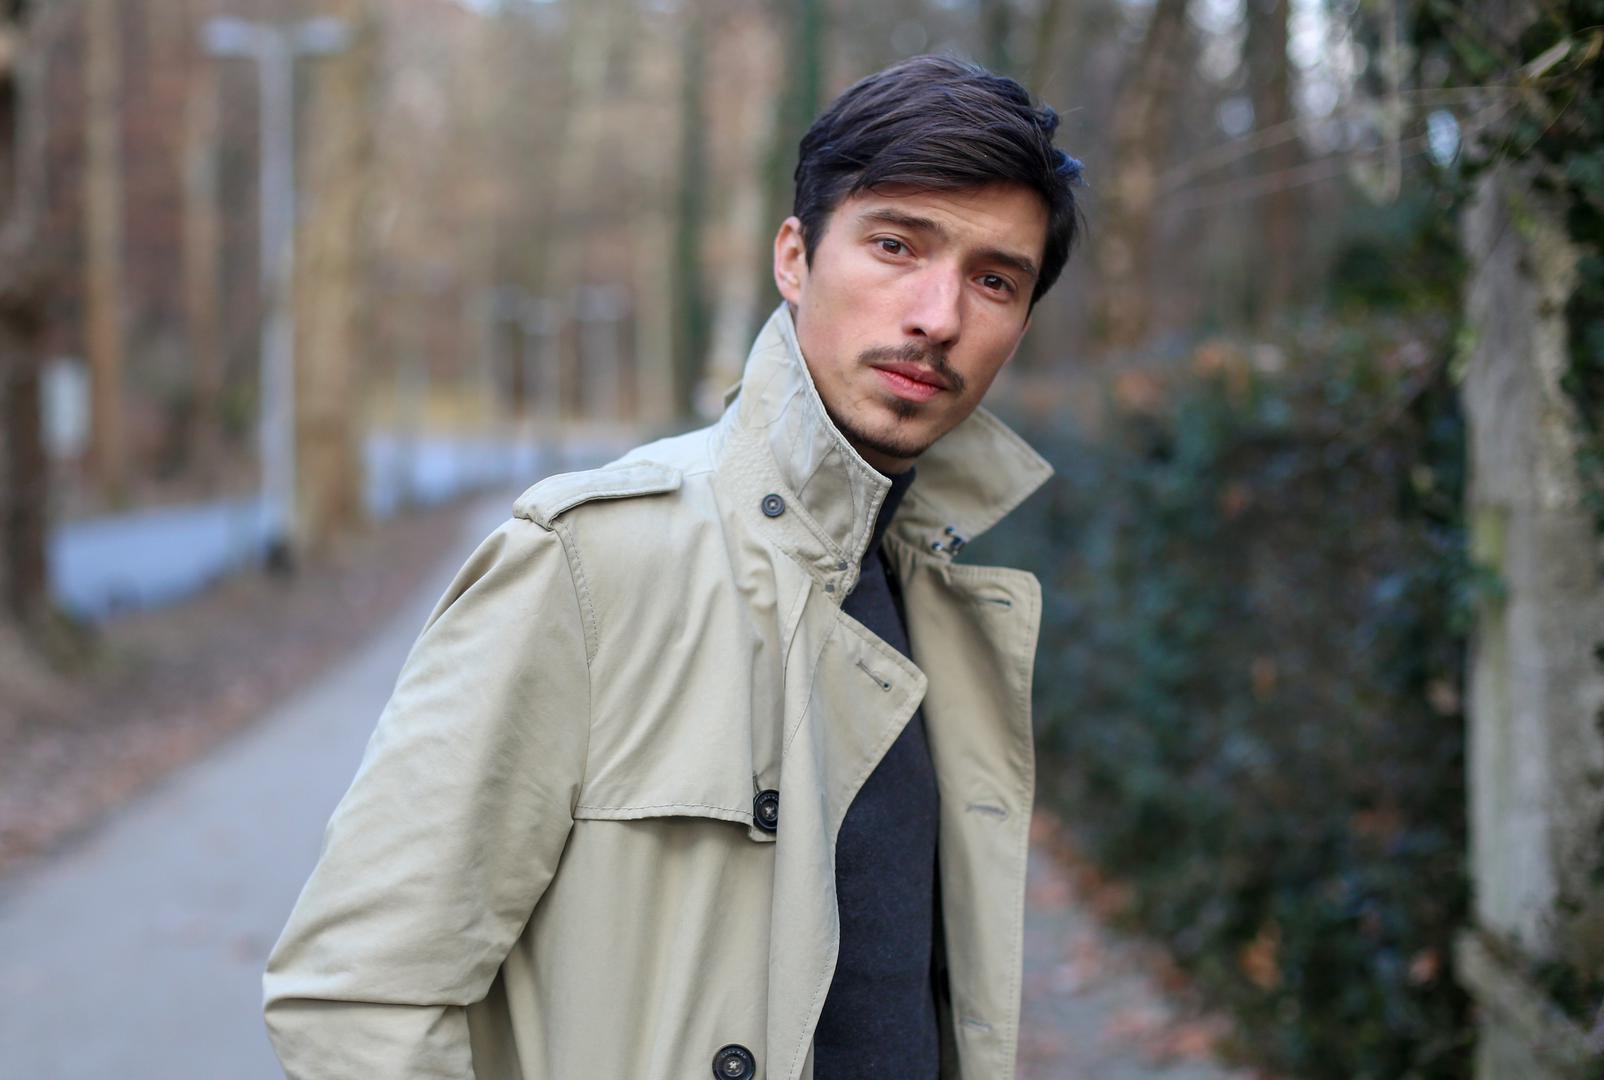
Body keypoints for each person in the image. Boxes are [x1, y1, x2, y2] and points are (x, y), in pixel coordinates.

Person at [263, 52, 1084, 1080]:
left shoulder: (952, 605)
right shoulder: (591, 561)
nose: (938, 315)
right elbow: (354, 999)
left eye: (993, 280)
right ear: (794, 257)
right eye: (894, 245)